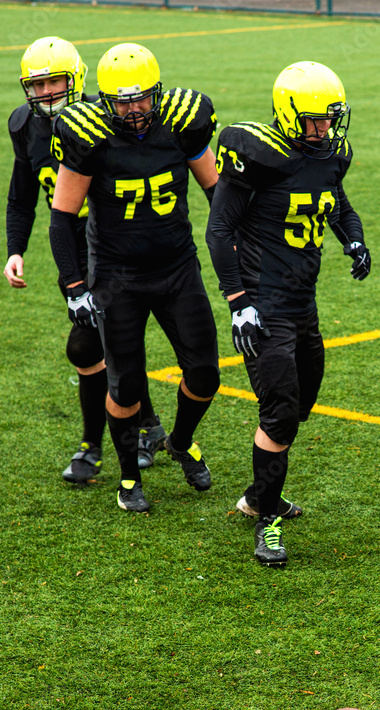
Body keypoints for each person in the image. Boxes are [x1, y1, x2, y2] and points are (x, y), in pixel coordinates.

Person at [206, 60, 370, 567]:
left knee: (299, 408)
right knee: (278, 415)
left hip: (303, 303)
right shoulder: (258, 158)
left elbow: (336, 202)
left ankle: (259, 494)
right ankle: (267, 523)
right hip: (262, 305)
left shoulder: (328, 156)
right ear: (287, 113)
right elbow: (219, 232)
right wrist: (238, 305)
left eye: (330, 119)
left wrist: (354, 238)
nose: (325, 129)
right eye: (315, 120)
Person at [49, 43, 221, 513]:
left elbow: (218, 196)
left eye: (142, 97)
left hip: (177, 268)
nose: (133, 108)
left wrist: (242, 262)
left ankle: (181, 441)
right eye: (123, 100)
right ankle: (128, 479)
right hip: (117, 276)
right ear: (106, 100)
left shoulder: (183, 123)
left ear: (156, 92)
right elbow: (63, 217)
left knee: (205, 374)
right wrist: (74, 285)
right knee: (124, 384)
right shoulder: (90, 136)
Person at [4, 36, 165, 483]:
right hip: (71, 256)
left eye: (53, 82)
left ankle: (94, 447)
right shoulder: (25, 125)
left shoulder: (103, 119)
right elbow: (21, 197)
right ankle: (146, 428)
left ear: (75, 79)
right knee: (108, 345)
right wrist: (15, 249)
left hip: (114, 251)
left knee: (91, 344)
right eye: (36, 86)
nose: (45, 93)